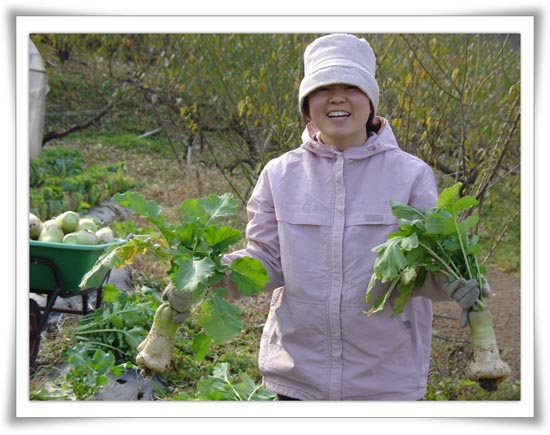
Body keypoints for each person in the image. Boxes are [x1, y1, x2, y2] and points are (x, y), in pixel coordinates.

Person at [164, 33, 487, 401]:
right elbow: (264, 262)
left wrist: (454, 283)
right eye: (322, 88)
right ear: (307, 105)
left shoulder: (410, 175)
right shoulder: (279, 174)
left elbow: (421, 271)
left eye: (350, 86)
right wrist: (204, 276)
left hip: (385, 383)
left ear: (370, 102)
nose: (336, 97)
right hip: (296, 377)